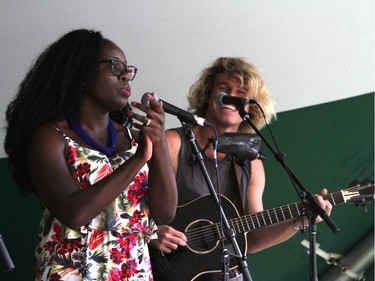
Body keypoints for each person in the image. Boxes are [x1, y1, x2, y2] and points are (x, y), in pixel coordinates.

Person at [3, 29, 177, 281]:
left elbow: (165, 214)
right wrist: (138, 160)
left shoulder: (133, 138)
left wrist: (158, 141)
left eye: (128, 69)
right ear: (81, 71)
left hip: (132, 270)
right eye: (115, 66)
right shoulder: (50, 137)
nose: (126, 75)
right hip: (73, 272)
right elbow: (75, 213)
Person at [148, 57, 333, 281]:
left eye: (240, 93)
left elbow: (251, 240)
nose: (230, 97)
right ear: (208, 95)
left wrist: (299, 221)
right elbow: (128, 203)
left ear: (249, 107)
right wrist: (149, 232)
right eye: (223, 89)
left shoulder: (251, 163)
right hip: (162, 270)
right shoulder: (173, 143)